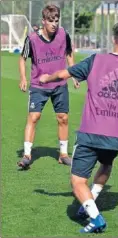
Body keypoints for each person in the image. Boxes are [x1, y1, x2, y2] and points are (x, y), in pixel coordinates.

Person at [39, 21, 118, 233]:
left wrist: (47, 77)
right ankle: (91, 200)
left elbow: (64, 74)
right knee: (106, 164)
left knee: (77, 181)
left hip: (91, 132)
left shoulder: (96, 60)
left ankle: (96, 218)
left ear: (114, 40)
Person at [17, 4, 79, 169]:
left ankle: (64, 155)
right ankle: (27, 155)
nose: (54, 24)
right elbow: (22, 58)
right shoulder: (32, 39)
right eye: (51, 21)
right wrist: (23, 77)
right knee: (34, 117)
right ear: (43, 21)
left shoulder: (63, 34)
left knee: (63, 118)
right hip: (39, 85)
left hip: (59, 85)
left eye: (56, 21)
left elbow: (69, 53)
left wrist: (73, 74)